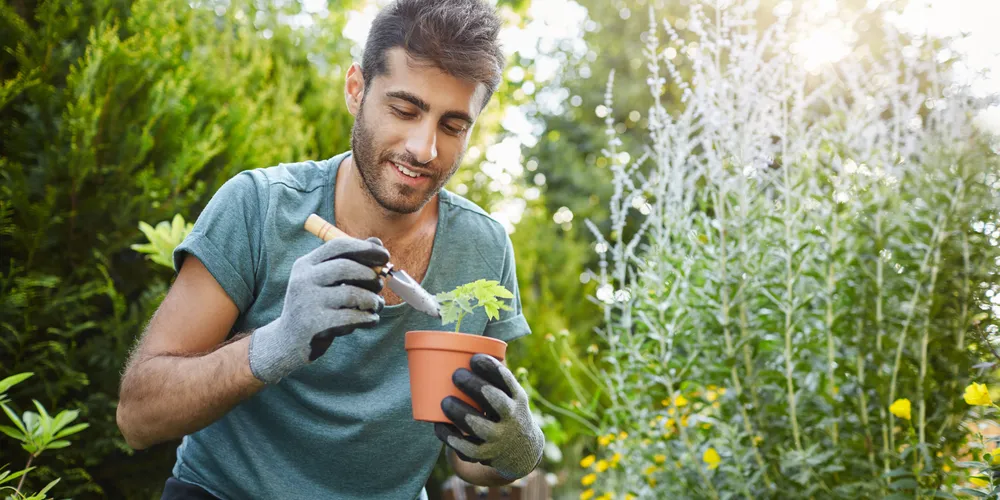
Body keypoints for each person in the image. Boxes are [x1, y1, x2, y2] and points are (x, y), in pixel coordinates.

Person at [114, 0, 545, 498]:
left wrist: (517, 447)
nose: (424, 148)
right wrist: (277, 343)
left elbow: (467, 458)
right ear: (356, 89)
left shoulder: (483, 246)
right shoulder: (258, 207)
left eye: (453, 126)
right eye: (405, 110)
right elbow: (138, 416)